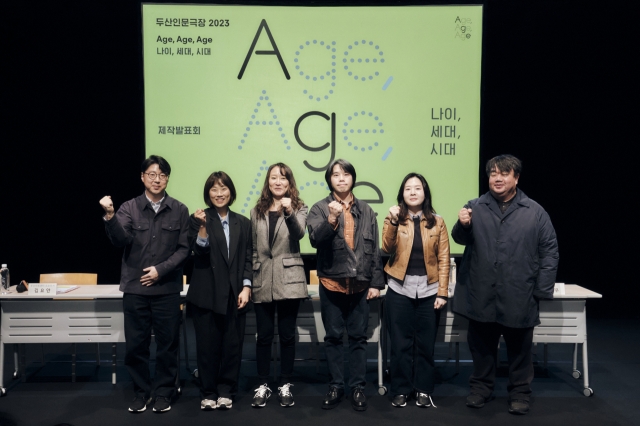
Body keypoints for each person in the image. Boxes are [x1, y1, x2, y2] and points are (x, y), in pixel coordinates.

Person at [451, 155, 559, 415]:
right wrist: (463, 225)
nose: (497, 178)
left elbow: (550, 252)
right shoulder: (474, 207)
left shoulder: (534, 211)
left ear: (516, 178)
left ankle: (520, 393)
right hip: (481, 292)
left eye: (504, 173)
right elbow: (458, 238)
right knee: (481, 347)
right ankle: (480, 389)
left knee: (520, 349)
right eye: (493, 174)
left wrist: (541, 291)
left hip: (519, 293)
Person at [100, 155, 189, 413]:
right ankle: (140, 392)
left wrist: (160, 271)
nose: (157, 179)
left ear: (168, 178)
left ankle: (163, 393)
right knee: (137, 345)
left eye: (162, 175)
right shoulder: (128, 208)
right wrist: (110, 216)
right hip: (136, 289)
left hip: (167, 289)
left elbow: (184, 249)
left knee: (167, 344)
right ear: (142, 177)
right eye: (151, 174)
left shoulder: (180, 209)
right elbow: (120, 240)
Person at [307, 158, 384, 412]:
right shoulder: (319, 208)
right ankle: (336, 386)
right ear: (329, 179)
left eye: (346, 174)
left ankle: (358, 387)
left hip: (361, 284)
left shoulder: (367, 210)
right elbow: (316, 240)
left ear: (353, 178)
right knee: (333, 337)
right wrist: (331, 218)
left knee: (359, 338)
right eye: (336, 175)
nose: (341, 178)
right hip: (332, 282)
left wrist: (375, 282)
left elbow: (374, 250)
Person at [381, 173, 450, 408]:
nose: (412, 192)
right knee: (399, 343)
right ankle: (400, 389)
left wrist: (442, 292)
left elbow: (443, 258)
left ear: (424, 192)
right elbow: (386, 248)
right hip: (399, 288)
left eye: (417, 188)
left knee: (425, 343)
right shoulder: (393, 219)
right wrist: (391, 221)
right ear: (402, 193)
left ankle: (423, 389)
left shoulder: (438, 221)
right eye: (408, 188)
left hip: (430, 290)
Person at [186, 171, 252, 411]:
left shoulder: (243, 222)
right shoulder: (198, 219)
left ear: (231, 192)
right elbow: (199, 253)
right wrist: (202, 228)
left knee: (232, 347)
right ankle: (208, 392)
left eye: (223, 189)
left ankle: (226, 390)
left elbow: (248, 258)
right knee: (206, 347)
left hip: (235, 294)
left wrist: (246, 287)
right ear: (208, 193)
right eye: (214, 189)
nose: (219, 193)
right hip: (206, 294)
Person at [249, 163, 308, 408]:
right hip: (262, 277)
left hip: (289, 279)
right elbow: (254, 247)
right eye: (273, 178)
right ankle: (262, 384)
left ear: (289, 183)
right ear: (268, 182)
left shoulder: (299, 207)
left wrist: (288, 212)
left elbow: (299, 234)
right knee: (263, 336)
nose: (277, 182)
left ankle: (285, 383)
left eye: (282, 178)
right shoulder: (256, 210)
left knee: (286, 335)